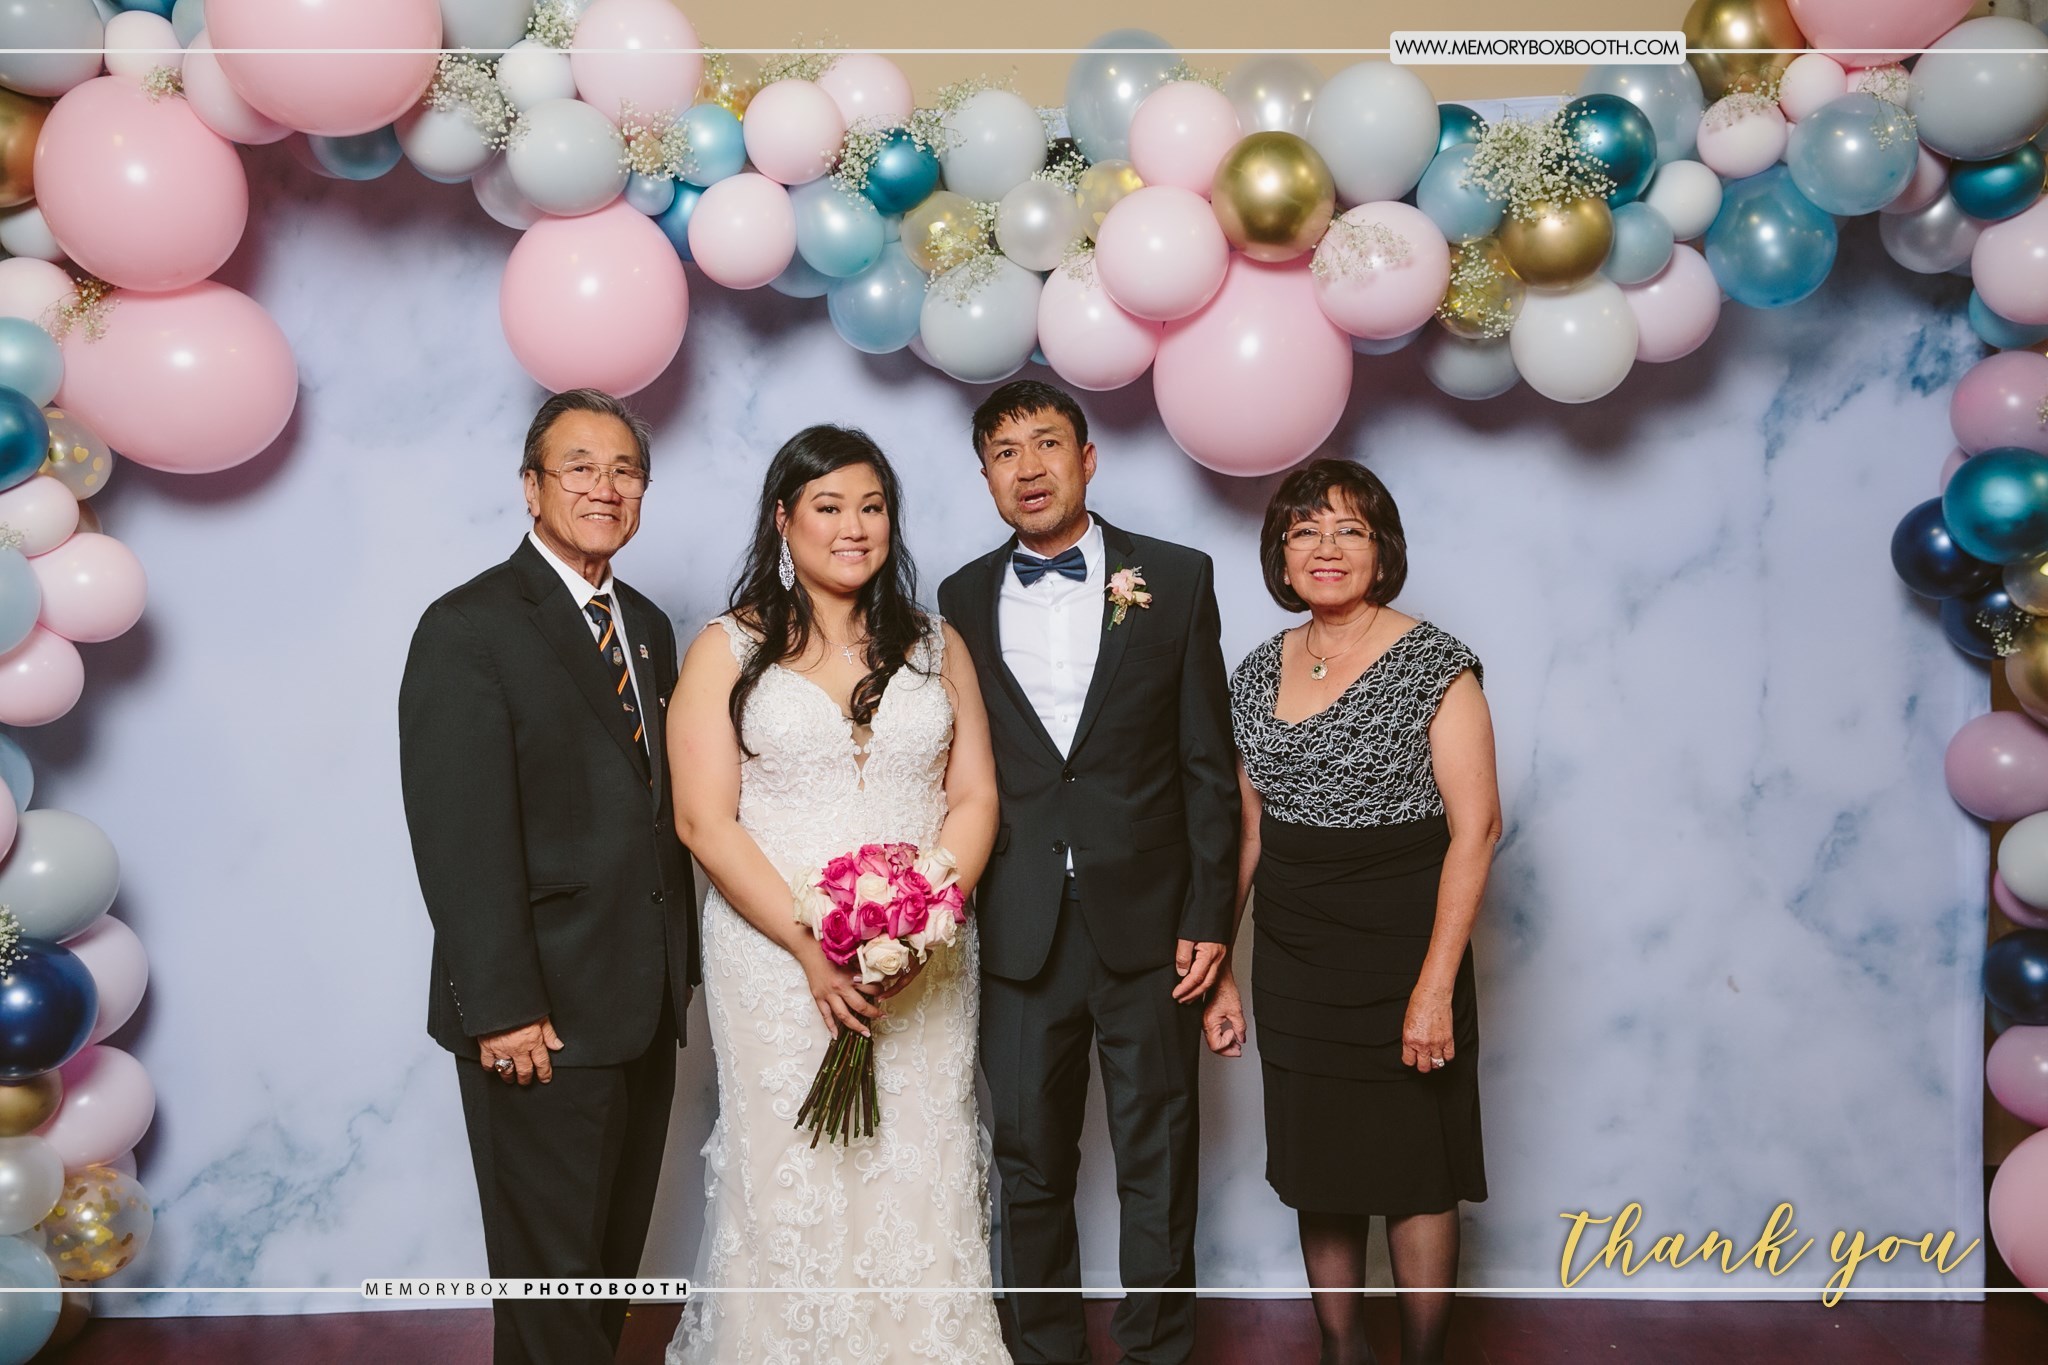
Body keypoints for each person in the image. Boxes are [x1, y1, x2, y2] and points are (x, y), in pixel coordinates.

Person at [664, 425, 1008, 1363]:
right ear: (784, 519)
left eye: (872, 506)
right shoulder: (727, 648)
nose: (854, 527)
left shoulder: (937, 645)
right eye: (829, 506)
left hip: (924, 958)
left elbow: (975, 796)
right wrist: (811, 948)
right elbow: (703, 820)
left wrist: (923, 920)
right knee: (794, 1164)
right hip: (775, 957)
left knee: (918, 1158)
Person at [937, 380, 1238, 1365]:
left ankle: (1158, 1352)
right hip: (1016, 925)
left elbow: (1206, 763)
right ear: (986, 477)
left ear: (1087, 457)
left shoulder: (1177, 577)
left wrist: (1210, 916)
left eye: (1045, 444)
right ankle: (1044, 1352)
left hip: (1153, 928)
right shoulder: (957, 599)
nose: (1027, 468)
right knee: (1026, 1161)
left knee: (1159, 1157)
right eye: (1003, 453)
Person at [399, 388, 699, 1365]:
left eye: (625, 470)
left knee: (600, 1276)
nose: (604, 487)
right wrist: (502, 1009)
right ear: (531, 487)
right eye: (579, 467)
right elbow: (457, 835)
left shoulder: (645, 625)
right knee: (550, 1287)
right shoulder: (469, 626)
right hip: (537, 1017)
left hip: (640, 1002)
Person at [1203, 458, 1499, 1365]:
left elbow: (1479, 828)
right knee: (1319, 1165)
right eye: (1304, 530)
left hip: (1406, 949)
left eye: (1349, 530)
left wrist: (1435, 986)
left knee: (1415, 1169)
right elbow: (1246, 832)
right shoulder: (1257, 670)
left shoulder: (1436, 663)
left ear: (1382, 549)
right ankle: (1341, 1350)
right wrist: (1221, 967)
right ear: (1280, 553)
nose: (1325, 547)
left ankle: (1422, 1356)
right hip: (1295, 954)